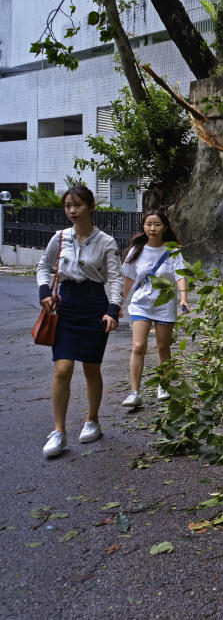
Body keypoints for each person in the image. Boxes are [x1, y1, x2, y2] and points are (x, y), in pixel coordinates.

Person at [36, 185, 122, 458]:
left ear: (91, 207)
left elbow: (116, 278)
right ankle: (59, 431)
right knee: (62, 369)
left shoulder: (106, 241)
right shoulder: (59, 238)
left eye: (78, 205)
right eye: (68, 206)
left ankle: (92, 420)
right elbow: (42, 266)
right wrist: (43, 291)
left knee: (91, 368)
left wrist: (113, 309)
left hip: (95, 306)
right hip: (66, 306)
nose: (72, 211)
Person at [119, 211, 189, 409]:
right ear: (143, 227)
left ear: (164, 227)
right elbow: (129, 279)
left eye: (157, 224)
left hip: (164, 305)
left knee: (163, 347)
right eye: (149, 224)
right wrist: (120, 304)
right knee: (138, 346)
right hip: (141, 304)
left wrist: (183, 298)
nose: (152, 228)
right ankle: (134, 392)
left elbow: (180, 275)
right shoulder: (136, 251)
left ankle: (163, 386)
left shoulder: (172, 250)